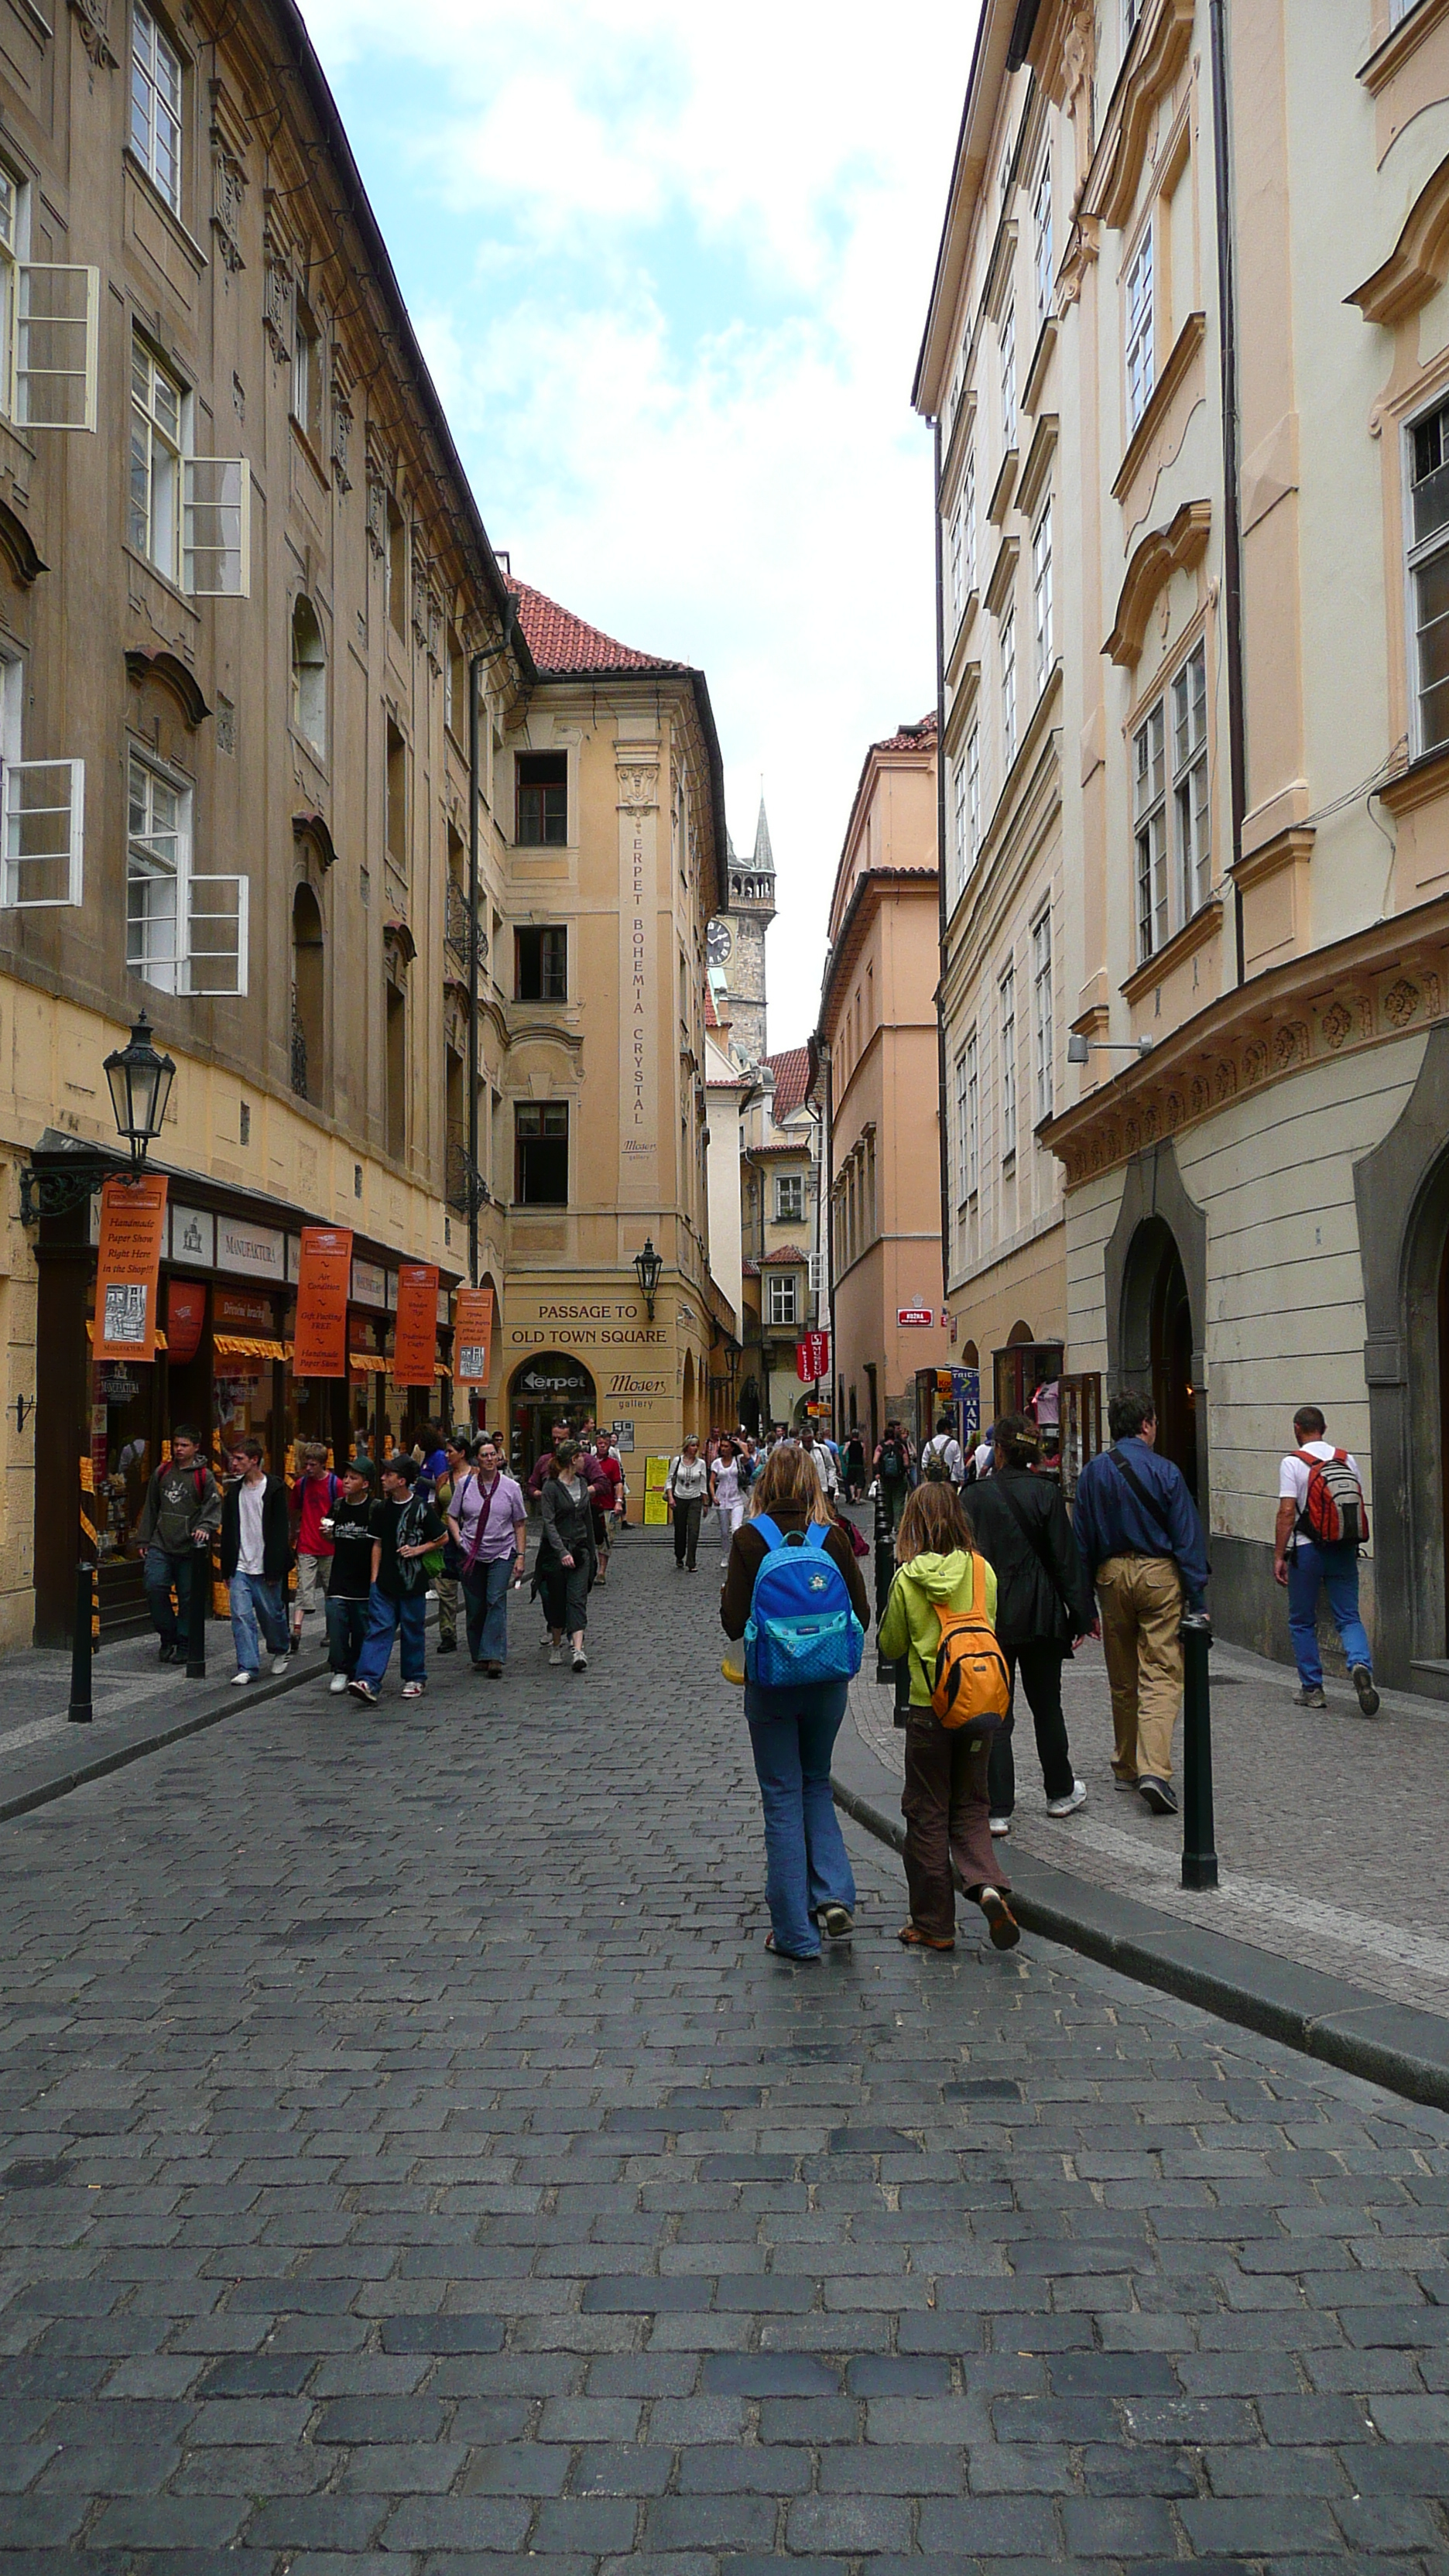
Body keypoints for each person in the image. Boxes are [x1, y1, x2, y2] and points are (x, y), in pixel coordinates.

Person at [720, 1441, 869, 1961]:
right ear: (812, 1483)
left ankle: (795, 1934)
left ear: (764, 1484)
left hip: (772, 1684)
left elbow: (732, 1622)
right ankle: (832, 1894)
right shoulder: (834, 1537)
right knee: (815, 1783)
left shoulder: (748, 1539)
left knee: (781, 1793)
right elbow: (862, 1616)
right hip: (827, 1685)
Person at [877, 1481, 1019, 1953]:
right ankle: (988, 1886)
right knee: (973, 1804)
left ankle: (934, 1924)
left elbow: (890, 1646)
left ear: (912, 1523)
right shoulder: (983, 1572)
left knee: (927, 1811)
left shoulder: (907, 1578)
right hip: (981, 1708)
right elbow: (989, 1629)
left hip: (929, 1710)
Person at [1074, 1390, 1209, 1817]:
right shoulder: (1166, 1472)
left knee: (1122, 1676)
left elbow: (1081, 1542)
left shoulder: (1092, 1474)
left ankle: (1126, 1764)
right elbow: (1187, 1539)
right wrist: (1198, 1599)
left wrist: (1083, 1608)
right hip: (1158, 1576)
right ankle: (1155, 1769)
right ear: (1147, 1424)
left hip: (1111, 1577)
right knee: (1163, 1673)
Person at [963, 1413, 1096, 1833]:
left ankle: (998, 1806)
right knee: (1047, 1706)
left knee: (996, 1709)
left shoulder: (974, 1496)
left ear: (998, 1450)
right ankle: (1059, 1790)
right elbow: (1065, 1559)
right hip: (1041, 1615)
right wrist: (1082, 1616)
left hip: (993, 1616)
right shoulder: (1046, 1493)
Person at [1273, 1405, 1379, 1715]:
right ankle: (1360, 1664)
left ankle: (1313, 1689)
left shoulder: (1293, 1463)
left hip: (1308, 1550)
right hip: (1344, 1548)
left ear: (1297, 1428)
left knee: (1302, 1621)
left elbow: (1287, 1513)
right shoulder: (1347, 1459)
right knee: (1348, 1617)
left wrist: (1279, 1555)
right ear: (1325, 1428)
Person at [348, 1454, 444, 1704]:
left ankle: (415, 1677)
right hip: (385, 1583)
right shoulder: (381, 1508)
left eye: (388, 1475)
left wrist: (418, 1550)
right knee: (378, 1630)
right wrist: (374, 1579)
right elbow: (377, 1543)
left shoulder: (421, 1507)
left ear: (401, 1480)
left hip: (413, 1582)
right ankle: (368, 1680)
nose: (383, 1478)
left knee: (413, 1630)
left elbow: (442, 1537)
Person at [135, 1425, 223, 1663]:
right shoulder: (162, 1472)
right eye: (176, 1445)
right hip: (161, 1544)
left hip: (189, 1549)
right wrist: (144, 1538)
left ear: (196, 1447)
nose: (179, 1450)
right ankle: (168, 1635)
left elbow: (213, 1507)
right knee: (154, 1587)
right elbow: (151, 1507)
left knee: (188, 1597)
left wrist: (204, 1527)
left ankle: (185, 1642)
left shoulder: (204, 1476)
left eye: (184, 1445)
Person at [449, 1434, 527, 1677]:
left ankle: (494, 1656)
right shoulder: (465, 1485)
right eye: (485, 1455)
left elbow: (520, 1523)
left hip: (502, 1552)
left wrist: (521, 1555)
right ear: (477, 1460)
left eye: (493, 1454)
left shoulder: (511, 1488)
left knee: (495, 1600)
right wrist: (459, 1539)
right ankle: (480, 1655)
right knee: (474, 1607)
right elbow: (452, 1515)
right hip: (471, 1553)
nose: (490, 1459)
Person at [220, 1437, 293, 1686]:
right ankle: (248, 1667)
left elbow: (280, 1531)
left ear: (254, 1460)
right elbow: (229, 1531)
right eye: (233, 1458)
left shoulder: (273, 1488)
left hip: (266, 1565)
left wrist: (275, 1566)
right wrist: (226, 1567)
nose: (234, 1463)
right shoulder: (233, 1492)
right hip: (240, 1565)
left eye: (240, 1459)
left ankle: (281, 1647)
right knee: (241, 1616)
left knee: (271, 1614)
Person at [536, 1437, 596, 1670]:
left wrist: (591, 1550)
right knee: (557, 1600)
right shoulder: (551, 1487)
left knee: (577, 1599)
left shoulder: (582, 1483)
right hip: (556, 1553)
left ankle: (578, 1650)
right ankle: (556, 1643)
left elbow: (586, 1518)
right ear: (573, 1459)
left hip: (580, 1550)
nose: (584, 1460)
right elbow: (548, 1523)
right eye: (581, 1456)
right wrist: (561, 1551)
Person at [322, 1458, 377, 1693]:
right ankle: (340, 1670)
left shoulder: (375, 1508)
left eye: (353, 1478)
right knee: (336, 1625)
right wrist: (327, 1534)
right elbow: (331, 1534)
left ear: (365, 1484)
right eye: (345, 1476)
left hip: (364, 1581)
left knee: (362, 1629)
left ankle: (358, 1670)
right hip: (340, 1579)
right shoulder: (337, 1506)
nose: (346, 1481)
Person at [289, 1444, 338, 1638]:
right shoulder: (301, 1485)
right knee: (303, 1587)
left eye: (312, 1464)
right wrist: (294, 1531)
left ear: (322, 1464)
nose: (308, 1468)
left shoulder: (336, 1485)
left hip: (330, 1546)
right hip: (307, 1543)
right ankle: (297, 1630)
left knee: (331, 1591)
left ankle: (331, 1631)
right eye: (306, 1464)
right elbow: (294, 1510)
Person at [431, 1434, 472, 1654]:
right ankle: (448, 1633)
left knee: (473, 1588)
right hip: (446, 1539)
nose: (447, 1456)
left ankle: (476, 1631)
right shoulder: (443, 1479)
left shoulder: (476, 1476)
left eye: (450, 1452)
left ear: (462, 1453)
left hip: (472, 1538)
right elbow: (438, 1508)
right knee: (446, 1590)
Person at [667, 1434, 710, 1571]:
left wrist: (705, 1503)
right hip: (679, 1498)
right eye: (693, 1445)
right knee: (680, 1530)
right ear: (686, 1447)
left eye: (697, 1445)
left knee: (694, 1531)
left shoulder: (701, 1464)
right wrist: (671, 1497)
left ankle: (691, 1562)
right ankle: (679, 1555)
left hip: (695, 1499)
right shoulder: (677, 1461)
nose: (695, 1448)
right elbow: (669, 1480)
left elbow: (703, 1483)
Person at [711, 1435, 746, 1572]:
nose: (723, 1449)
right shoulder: (717, 1463)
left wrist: (740, 1443)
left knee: (736, 1529)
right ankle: (726, 1554)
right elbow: (712, 1482)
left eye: (726, 1446)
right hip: (721, 1500)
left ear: (732, 1449)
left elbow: (747, 1457)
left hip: (737, 1498)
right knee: (724, 1532)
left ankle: (737, 1555)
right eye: (722, 1446)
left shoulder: (737, 1460)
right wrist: (713, 1496)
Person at [874, 1419, 912, 1530]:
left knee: (887, 1501)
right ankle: (898, 1525)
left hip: (886, 1478)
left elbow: (875, 1461)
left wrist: (879, 1472)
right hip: (899, 1478)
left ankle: (888, 1524)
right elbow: (906, 1462)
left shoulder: (881, 1447)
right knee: (899, 1502)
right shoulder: (900, 1446)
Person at [527, 1423, 571, 1505]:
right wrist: (539, 1494)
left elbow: (601, 1484)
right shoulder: (544, 1460)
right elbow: (531, 1486)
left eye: (561, 1439)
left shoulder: (583, 1460)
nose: (557, 1442)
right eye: (554, 1439)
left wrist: (581, 1494)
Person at [798, 1423, 839, 1499]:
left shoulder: (822, 1449)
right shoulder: (797, 1452)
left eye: (809, 1441)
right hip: (803, 1490)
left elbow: (831, 1467)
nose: (807, 1444)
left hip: (822, 1488)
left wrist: (831, 1484)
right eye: (805, 1441)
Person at [923, 1413, 964, 1485]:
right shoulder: (954, 1443)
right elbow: (958, 1463)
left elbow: (924, 1463)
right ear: (946, 1429)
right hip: (950, 1480)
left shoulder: (929, 1444)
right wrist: (961, 1478)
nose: (951, 1431)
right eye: (950, 1429)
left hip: (933, 1482)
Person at [844, 1428, 866, 1502]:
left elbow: (844, 1453)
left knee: (851, 1481)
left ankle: (853, 1495)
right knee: (860, 1482)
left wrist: (845, 1462)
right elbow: (864, 1456)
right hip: (859, 1464)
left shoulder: (848, 1443)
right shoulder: (862, 1444)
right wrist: (864, 1464)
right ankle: (858, 1499)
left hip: (851, 1464)